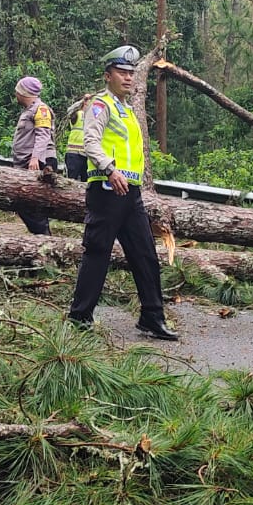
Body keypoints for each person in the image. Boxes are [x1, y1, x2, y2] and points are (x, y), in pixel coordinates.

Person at [65, 46, 177, 341]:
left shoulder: (127, 111)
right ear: (108, 76)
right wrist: (110, 169)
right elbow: (90, 142)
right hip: (106, 189)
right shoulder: (101, 106)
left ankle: (152, 318)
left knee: (145, 254)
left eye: (131, 73)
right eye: (122, 73)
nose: (128, 78)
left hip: (131, 194)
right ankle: (79, 317)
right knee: (98, 253)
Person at [11, 75, 56, 235]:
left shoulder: (40, 109)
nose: (15, 94)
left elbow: (43, 135)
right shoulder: (29, 111)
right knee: (27, 204)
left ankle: (45, 238)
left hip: (37, 163)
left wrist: (36, 158)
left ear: (24, 92)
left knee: (28, 204)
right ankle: (42, 237)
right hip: (28, 162)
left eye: (17, 91)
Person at [60, 94, 91, 182]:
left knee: (86, 182)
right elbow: (69, 110)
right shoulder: (77, 114)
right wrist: (82, 100)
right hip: (74, 154)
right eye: (87, 100)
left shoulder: (93, 116)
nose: (89, 102)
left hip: (87, 155)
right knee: (71, 181)